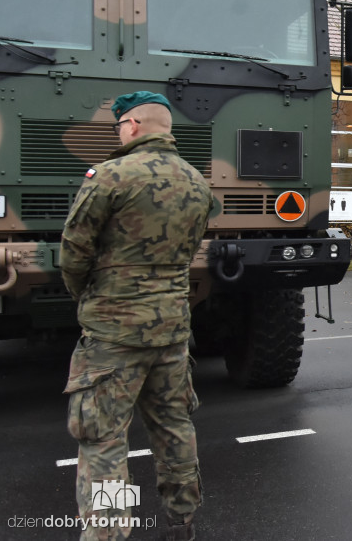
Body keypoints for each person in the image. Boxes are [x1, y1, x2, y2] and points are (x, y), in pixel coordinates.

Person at [60, 91, 214, 541]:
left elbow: (74, 253)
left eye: (118, 127)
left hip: (114, 334)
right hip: (171, 329)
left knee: (106, 439)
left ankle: (111, 531)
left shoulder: (109, 175)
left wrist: (88, 300)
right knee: (174, 424)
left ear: (131, 126)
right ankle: (180, 520)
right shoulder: (197, 182)